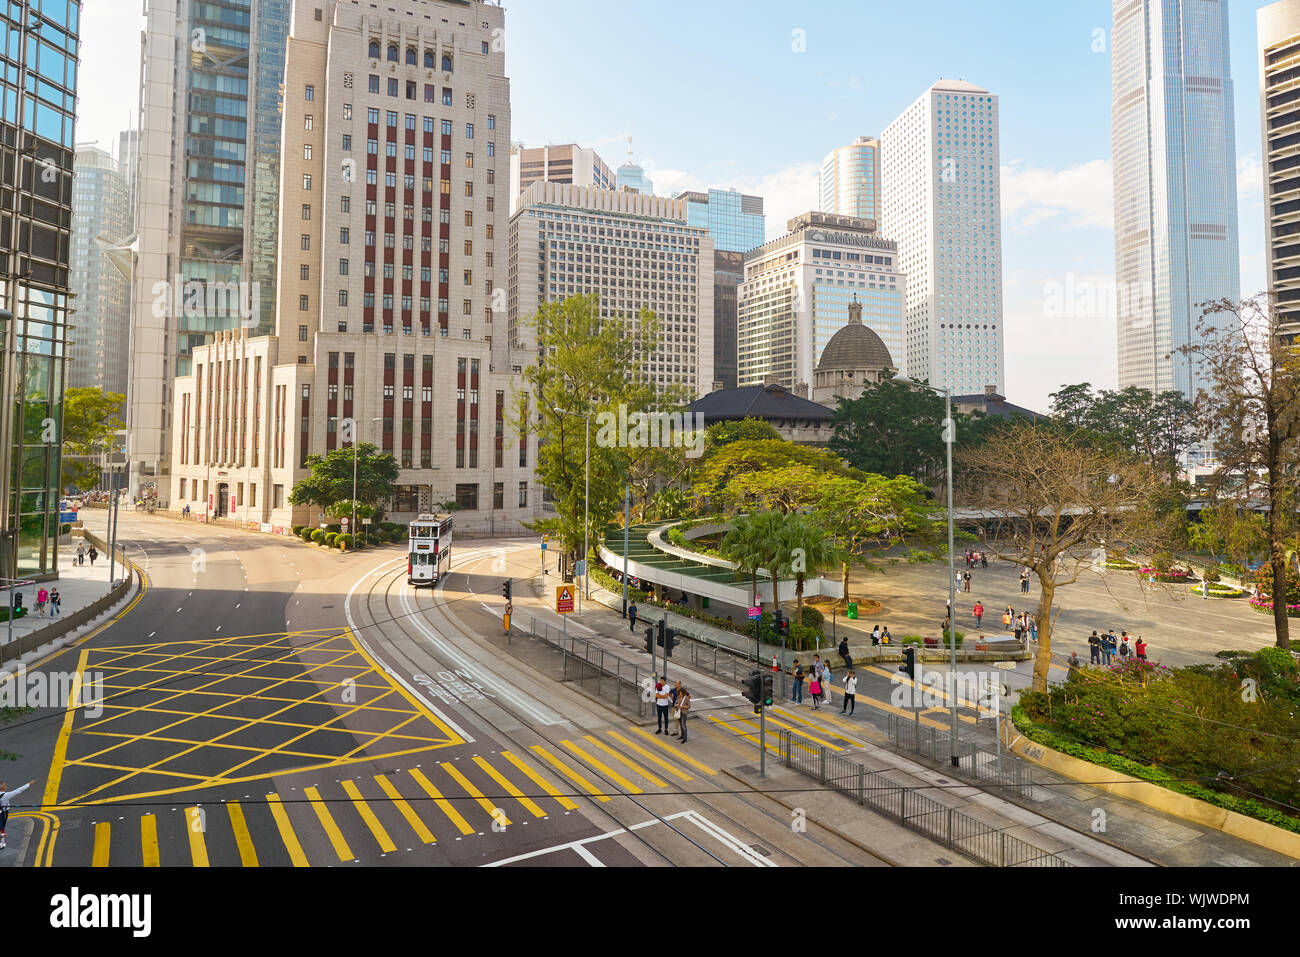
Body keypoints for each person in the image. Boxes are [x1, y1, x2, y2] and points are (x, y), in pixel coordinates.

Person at [0, 779, 34, 850]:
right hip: (3, 813)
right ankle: (2, 842)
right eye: (4, 785)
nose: (6, 786)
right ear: (1, 787)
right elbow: (18, 791)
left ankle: (2, 841)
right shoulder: (5, 796)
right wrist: (29, 784)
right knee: (2, 828)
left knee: (1, 829)